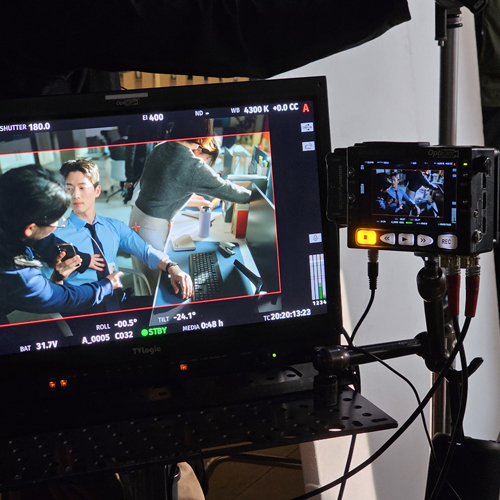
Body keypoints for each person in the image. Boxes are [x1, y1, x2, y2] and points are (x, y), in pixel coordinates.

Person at [130, 119, 252, 294]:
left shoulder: (161, 147)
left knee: (142, 278)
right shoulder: (192, 165)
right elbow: (228, 190)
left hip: (137, 218)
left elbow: (162, 186)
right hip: (152, 227)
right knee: (156, 285)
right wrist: (257, 196)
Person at [53, 159, 192, 307]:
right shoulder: (56, 236)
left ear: (97, 191)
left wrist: (173, 267)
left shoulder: (114, 226)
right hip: (84, 306)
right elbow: (49, 292)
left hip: (117, 300)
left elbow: (146, 251)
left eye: (82, 187)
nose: (75, 195)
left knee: (177, 306)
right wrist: (57, 278)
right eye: (69, 188)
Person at [0, 165, 122, 324]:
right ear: (30, 228)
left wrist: (80, 259)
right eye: (56, 220)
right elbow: (62, 298)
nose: (60, 223)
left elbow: (43, 241)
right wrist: (105, 286)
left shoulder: (11, 213)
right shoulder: (16, 273)